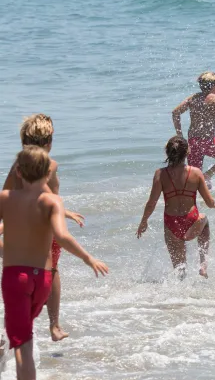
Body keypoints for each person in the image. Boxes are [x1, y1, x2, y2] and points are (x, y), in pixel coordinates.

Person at [0, 146, 109, 380]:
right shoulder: (53, 201)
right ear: (47, 173)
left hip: (17, 279)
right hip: (43, 279)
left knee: (23, 346)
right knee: (23, 330)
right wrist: (88, 258)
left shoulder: (5, 198)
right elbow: (62, 237)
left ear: (18, 172)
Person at [2, 114, 85, 342]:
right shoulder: (50, 164)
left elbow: (7, 192)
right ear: (48, 140)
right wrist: (64, 212)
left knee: (20, 271)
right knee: (51, 271)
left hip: (23, 225)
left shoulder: (17, 166)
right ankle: (54, 325)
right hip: (46, 226)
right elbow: (44, 192)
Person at [137, 137, 215, 279]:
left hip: (171, 224)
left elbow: (151, 203)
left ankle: (180, 296)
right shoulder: (196, 172)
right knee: (205, 221)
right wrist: (214, 204)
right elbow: (209, 202)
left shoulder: (160, 174)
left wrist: (144, 221)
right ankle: (203, 265)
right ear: (188, 151)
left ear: (167, 152)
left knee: (180, 270)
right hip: (192, 220)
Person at [171, 72, 215, 186]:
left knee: (193, 176)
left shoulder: (193, 98)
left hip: (192, 142)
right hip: (207, 141)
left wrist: (179, 135)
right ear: (213, 86)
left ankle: (193, 198)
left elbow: (175, 113)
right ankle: (207, 176)